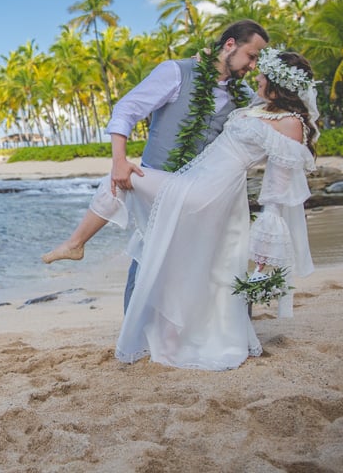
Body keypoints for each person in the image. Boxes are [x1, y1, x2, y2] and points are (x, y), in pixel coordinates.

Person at [103, 49, 319, 370]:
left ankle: (77, 242)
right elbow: (222, 78)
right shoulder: (257, 103)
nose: (255, 72)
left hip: (215, 191)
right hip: (201, 183)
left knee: (132, 189)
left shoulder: (290, 123)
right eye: (253, 62)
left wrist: (265, 251)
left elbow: (278, 185)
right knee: (194, 261)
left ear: (276, 82)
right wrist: (210, 60)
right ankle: (172, 333)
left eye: (262, 71)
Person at [43, 19, 270, 311]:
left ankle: (228, 325)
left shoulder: (243, 96)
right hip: (159, 189)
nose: (252, 66)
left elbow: (269, 119)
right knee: (148, 259)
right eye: (251, 56)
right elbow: (127, 108)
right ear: (229, 44)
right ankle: (136, 333)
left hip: (204, 195)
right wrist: (119, 161)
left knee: (218, 262)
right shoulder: (176, 72)